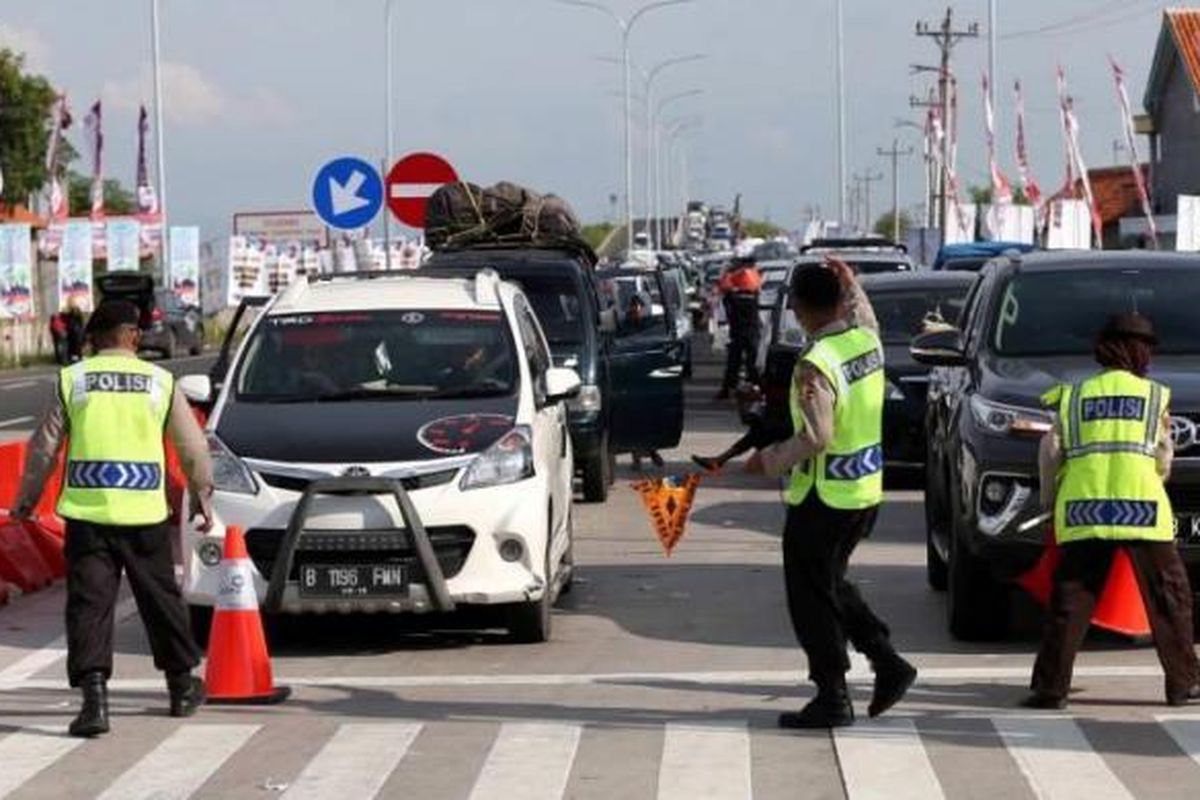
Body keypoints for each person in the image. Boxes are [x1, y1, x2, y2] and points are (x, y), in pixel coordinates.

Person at [13, 300, 216, 738]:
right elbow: (194, 448)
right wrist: (202, 498)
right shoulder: (160, 381)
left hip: (88, 519)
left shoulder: (73, 379)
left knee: (90, 606)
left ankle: (94, 704)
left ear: (94, 338)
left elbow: (43, 449)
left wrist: (26, 502)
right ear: (134, 336)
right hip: (144, 516)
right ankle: (181, 688)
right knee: (161, 601)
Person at [746, 259, 915, 729]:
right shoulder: (866, 343)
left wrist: (770, 460)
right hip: (863, 491)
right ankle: (887, 662)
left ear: (798, 308)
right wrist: (853, 284)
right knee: (832, 585)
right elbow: (866, 318)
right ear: (839, 300)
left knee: (811, 597)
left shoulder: (816, 363)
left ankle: (833, 693)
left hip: (824, 499)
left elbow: (816, 436)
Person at [1023, 313, 1200, 709]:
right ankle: (1183, 682)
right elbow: (1163, 454)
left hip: (1085, 511)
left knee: (1070, 600)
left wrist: (1050, 503)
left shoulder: (1074, 395)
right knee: (1170, 595)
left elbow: (1050, 453)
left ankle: (1050, 688)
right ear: (1139, 352)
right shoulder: (1153, 396)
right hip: (1141, 510)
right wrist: (1154, 477)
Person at [715, 256, 763, 400]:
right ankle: (759, 391)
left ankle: (727, 390)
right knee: (752, 364)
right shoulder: (755, 295)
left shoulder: (732, 297)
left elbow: (723, 287)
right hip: (752, 332)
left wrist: (730, 273)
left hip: (737, 332)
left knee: (733, 364)